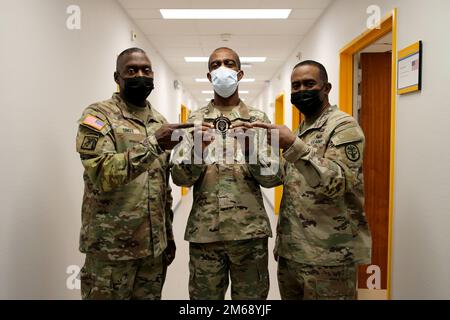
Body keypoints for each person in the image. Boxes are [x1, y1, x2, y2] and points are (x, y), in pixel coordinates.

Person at [75, 47, 194, 299]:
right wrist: (154, 144)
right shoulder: (98, 116)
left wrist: (167, 237)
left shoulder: (159, 122)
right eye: (131, 70)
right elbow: (102, 173)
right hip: (111, 252)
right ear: (117, 78)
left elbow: (163, 188)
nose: (140, 75)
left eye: (146, 70)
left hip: (152, 251)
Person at [252, 60, 372, 300]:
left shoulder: (343, 127)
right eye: (295, 86)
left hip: (330, 258)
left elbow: (337, 183)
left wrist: (292, 145)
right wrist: (252, 152)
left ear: (326, 88)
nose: (301, 91)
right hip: (292, 254)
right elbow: (284, 183)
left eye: (309, 84)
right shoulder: (299, 131)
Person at [171, 47, 281, 300]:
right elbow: (180, 177)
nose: (222, 69)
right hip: (205, 234)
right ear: (209, 76)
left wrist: (251, 150)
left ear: (240, 73)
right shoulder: (193, 121)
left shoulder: (259, 119)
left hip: (249, 235)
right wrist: (196, 152)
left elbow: (274, 178)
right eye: (216, 65)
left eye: (229, 64)